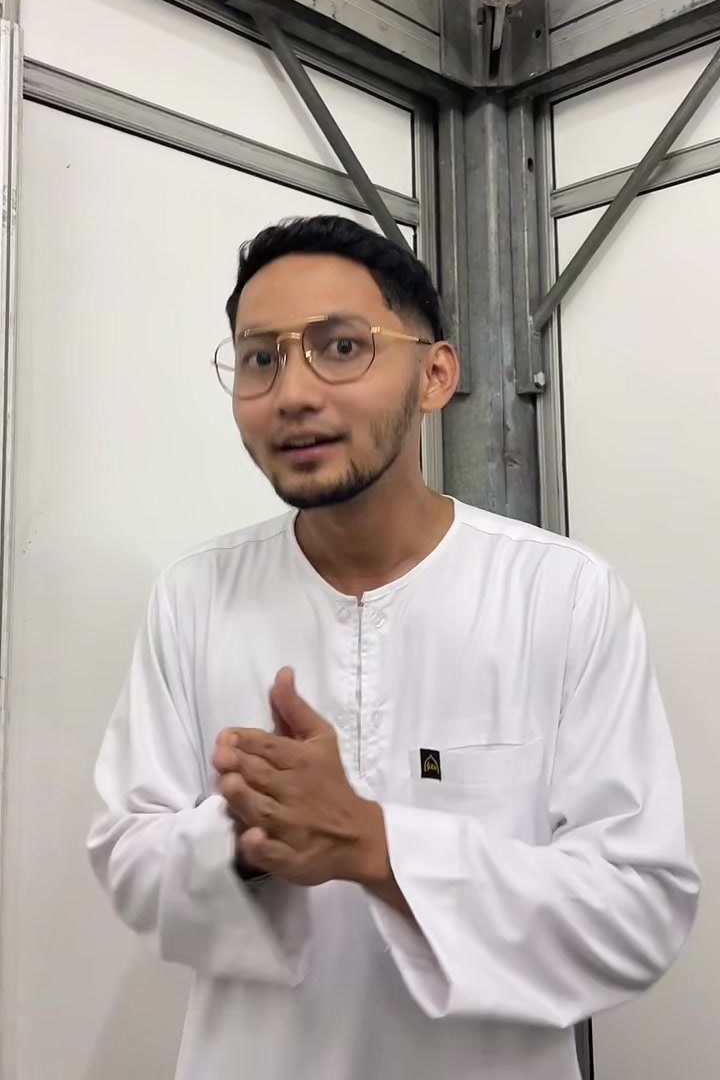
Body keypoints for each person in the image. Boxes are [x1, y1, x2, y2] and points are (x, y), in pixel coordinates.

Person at [88, 215, 699, 1080]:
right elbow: (127, 859)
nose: (293, 393)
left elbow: (637, 913)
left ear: (434, 375)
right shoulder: (195, 597)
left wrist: (376, 846)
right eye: (261, 358)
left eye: (341, 348)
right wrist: (242, 840)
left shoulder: (561, 596)